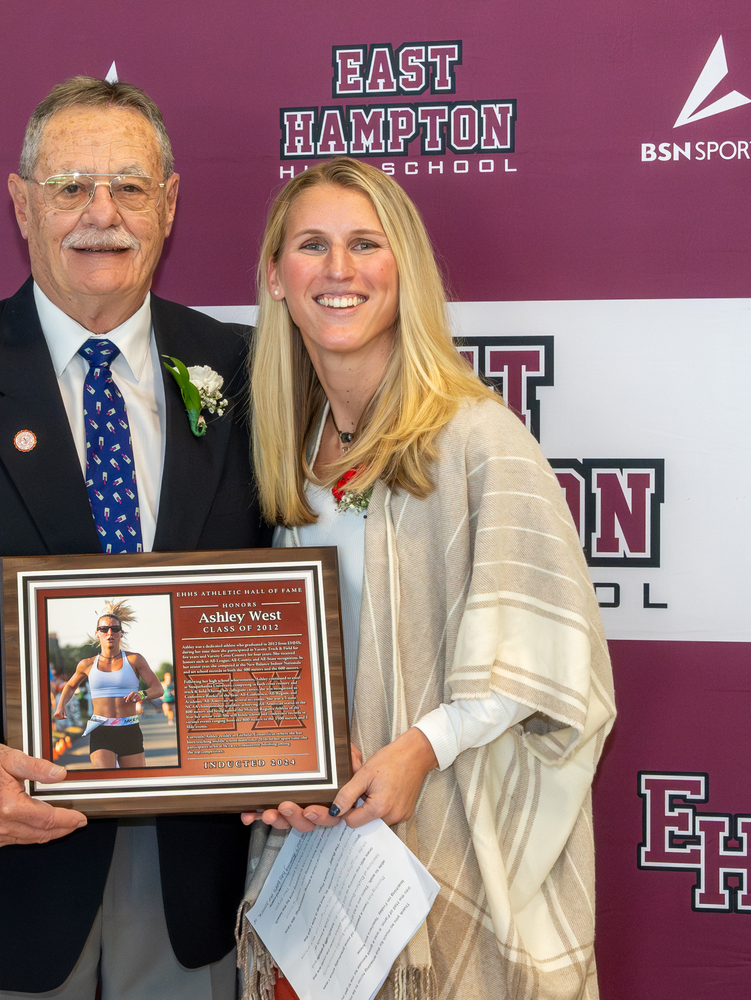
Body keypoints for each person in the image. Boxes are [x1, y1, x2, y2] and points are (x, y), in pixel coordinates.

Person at [0, 75, 267, 1000]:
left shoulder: (246, 368)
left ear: (172, 203)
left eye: (129, 188)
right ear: (22, 204)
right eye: (70, 187)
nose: (100, 215)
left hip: (197, 879)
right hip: (8, 870)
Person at [236, 158, 616, 999]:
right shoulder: (287, 460)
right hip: (321, 871)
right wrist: (280, 773)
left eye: (365, 244)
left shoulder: (479, 439)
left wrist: (420, 748)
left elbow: (549, 658)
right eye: (312, 245)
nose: (338, 270)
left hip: (443, 853)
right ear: (274, 277)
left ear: (403, 270)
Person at [53, 601, 164, 769]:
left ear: (121, 633)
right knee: (106, 782)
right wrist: (60, 706)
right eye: (104, 629)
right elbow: (69, 686)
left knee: (134, 783)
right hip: (101, 730)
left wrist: (141, 694)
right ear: (97, 634)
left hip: (129, 729)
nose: (109, 633)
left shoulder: (134, 660)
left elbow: (158, 688)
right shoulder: (87, 664)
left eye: (115, 629)